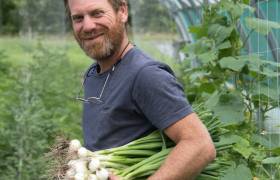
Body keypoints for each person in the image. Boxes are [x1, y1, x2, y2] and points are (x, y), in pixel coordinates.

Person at [63, 0, 216, 179]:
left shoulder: (145, 75)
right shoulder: (93, 73)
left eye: (97, 13)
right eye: (78, 18)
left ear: (122, 11)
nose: (87, 26)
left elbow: (200, 145)